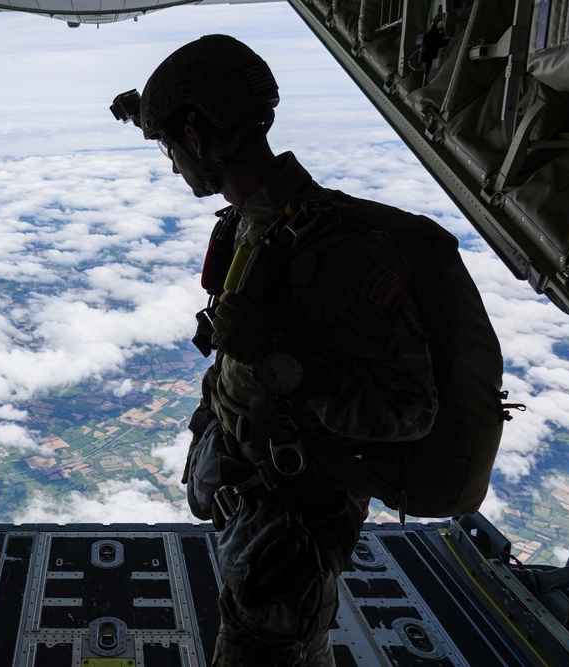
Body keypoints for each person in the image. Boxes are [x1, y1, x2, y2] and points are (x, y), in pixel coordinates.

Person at [111, 35, 504, 666]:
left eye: (169, 146)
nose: (172, 164)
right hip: (256, 507)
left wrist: (275, 358)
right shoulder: (250, 225)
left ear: (200, 137)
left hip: (292, 530)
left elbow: (408, 410)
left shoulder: (330, 250)